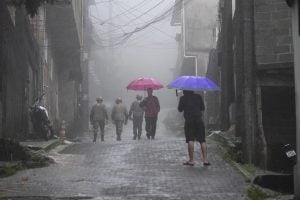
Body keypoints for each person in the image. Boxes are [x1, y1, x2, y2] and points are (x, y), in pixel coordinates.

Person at [177, 90, 210, 166]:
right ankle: (205, 160)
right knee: (202, 140)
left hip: (189, 121)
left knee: (190, 139)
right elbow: (202, 108)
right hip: (199, 120)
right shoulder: (198, 96)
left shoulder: (183, 98)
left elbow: (180, 109)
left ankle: (191, 160)